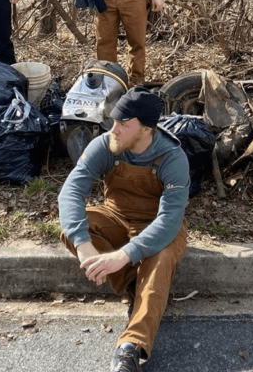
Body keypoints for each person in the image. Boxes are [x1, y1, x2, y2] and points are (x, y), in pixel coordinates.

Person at [58, 87, 190, 372]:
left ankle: (130, 348)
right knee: (74, 229)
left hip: (159, 226)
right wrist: (84, 246)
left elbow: (169, 221)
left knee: (161, 259)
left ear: (145, 129)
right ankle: (135, 283)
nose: (113, 129)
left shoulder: (173, 158)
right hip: (115, 217)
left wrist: (123, 255)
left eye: (122, 124)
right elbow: (70, 193)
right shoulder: (106, 144)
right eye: (114, 120)